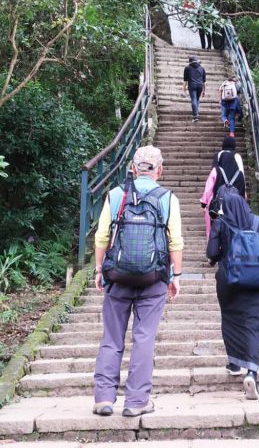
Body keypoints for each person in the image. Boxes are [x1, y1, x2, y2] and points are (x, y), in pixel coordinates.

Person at [92, 146, 183, 417]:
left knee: (111, 336)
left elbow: (101, 236)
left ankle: (104, 399)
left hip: (117, 277)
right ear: (160, 170)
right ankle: (136, 401)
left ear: (133, 168)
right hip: (154, 278)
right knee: (144, 338)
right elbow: (175, 241)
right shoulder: (168, 198)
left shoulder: (116, 195)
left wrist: (99, 269)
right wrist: (175, 276)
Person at [205, 186, 259, 400]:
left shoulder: (220, 223)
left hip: (229, 281)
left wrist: (221, 255)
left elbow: (210, 253)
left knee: (232, 320)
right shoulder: (258, 222)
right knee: (254, 325)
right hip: (257, 282)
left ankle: (234, 363)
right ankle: (252, 372)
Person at [200, 136, 246, 236]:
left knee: (213, 231)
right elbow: (242, 189)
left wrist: (204, 204)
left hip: (217, 203)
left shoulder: (216, 169)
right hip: (234, 204)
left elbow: (208, 188)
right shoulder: (240, 174)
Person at [182, 55, 206, 122]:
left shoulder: (187, 68)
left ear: (190, 62)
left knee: (193, 99)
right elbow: (204, 81)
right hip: (200, 85)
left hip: (192, 86)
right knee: (197, 99)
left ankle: (195, 116)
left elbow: (185, 80)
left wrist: (184, 88)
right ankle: (196, 112)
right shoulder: (202, 68)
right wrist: (204, 90)